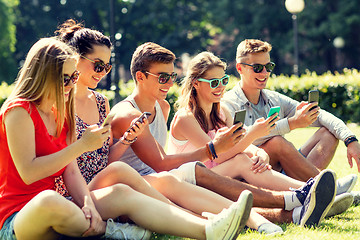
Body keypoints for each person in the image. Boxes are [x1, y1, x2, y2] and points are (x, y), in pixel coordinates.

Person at [0, 37, 253, 240]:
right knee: (49, 201)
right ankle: (106, 231)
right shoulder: (19, 111)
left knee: (120, 192)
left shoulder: (62, 112)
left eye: (73, 77)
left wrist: (88, 203)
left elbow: (71, 172)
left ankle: (208, 230)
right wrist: (80, 146)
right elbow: (28, 173)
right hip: (19, 216)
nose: (70, 84)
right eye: (64, 78)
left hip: (65, 207)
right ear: (44, 75)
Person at [54, 19, 266, 238]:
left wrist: (126, 140)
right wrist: (213, 149)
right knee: (159, 176)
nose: (103, 72)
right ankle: (212, 222)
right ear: (75, 59)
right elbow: (68, 166)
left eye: (107, 67)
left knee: (159, 177)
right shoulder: (59, 104)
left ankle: (252, 217)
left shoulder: (101, 102)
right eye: (98, 66)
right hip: (79, 189)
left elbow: (106, 157)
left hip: (105, 179)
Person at [110, 41, 338, 227]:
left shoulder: (164, 107)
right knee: (237, 165)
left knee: (244, 163)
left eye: (171, 77)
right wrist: (242, 141)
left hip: (177, 176)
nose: (169, 83)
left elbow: (218, 150)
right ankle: (304, 193)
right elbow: (182, 160)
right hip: (163, 179)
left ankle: (305, 197)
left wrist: (255, 149)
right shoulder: (170, 116)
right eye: (163, 78)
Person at [220, 39, 358, 191]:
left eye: (269, 66)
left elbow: (320, 115)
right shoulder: (228, 103)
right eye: (257, 68)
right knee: (276, 143)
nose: (265, 73)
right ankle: (329, 190)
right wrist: (291, 124)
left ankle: (312, 190)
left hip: (284, 169)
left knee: (328, 133)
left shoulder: (274, 98)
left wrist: (350, 139)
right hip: (254, 173)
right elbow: (243, 138)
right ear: (240, 68)